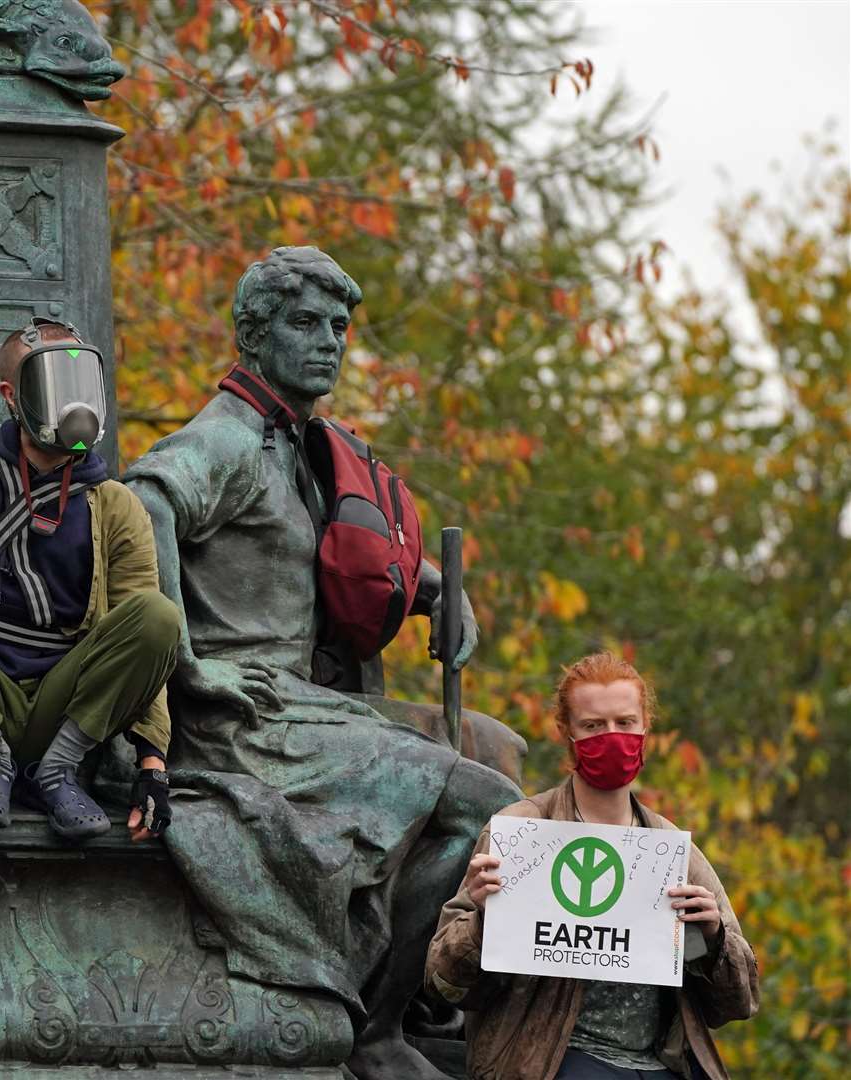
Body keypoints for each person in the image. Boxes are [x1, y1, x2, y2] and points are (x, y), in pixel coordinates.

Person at [122, 245, 521, 1078]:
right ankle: (376, 1034)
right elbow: (141, 501)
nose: (329, 343)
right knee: (486, 805)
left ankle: (423, 994)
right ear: (256, 334)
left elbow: (345, 552)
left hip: (313, 703)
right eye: (306, 324)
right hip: (251, 712)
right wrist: (186, 663)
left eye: (339, 327)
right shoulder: (230, 437)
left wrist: (438, 591)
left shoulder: (305, 443)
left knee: (497, 746)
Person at [0, 317, 181, 841]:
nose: (75, 403)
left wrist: (152, 764)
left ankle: (58, 770)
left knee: (159, 618)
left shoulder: (117, 505)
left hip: (64, 705)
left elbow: (145, 643)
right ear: (12, 393)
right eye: (58, 384)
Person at [427, 653, 760, 1080]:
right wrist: (483, 919)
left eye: (625, 723)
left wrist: (711, 939)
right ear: (566, 732)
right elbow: (444, 984)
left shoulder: (670, 850)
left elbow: (738, 1003)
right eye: (593, 726)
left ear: (646, 728)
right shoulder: (523, 831)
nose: (612, 737)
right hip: (550, 1061)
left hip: (662, 1064)